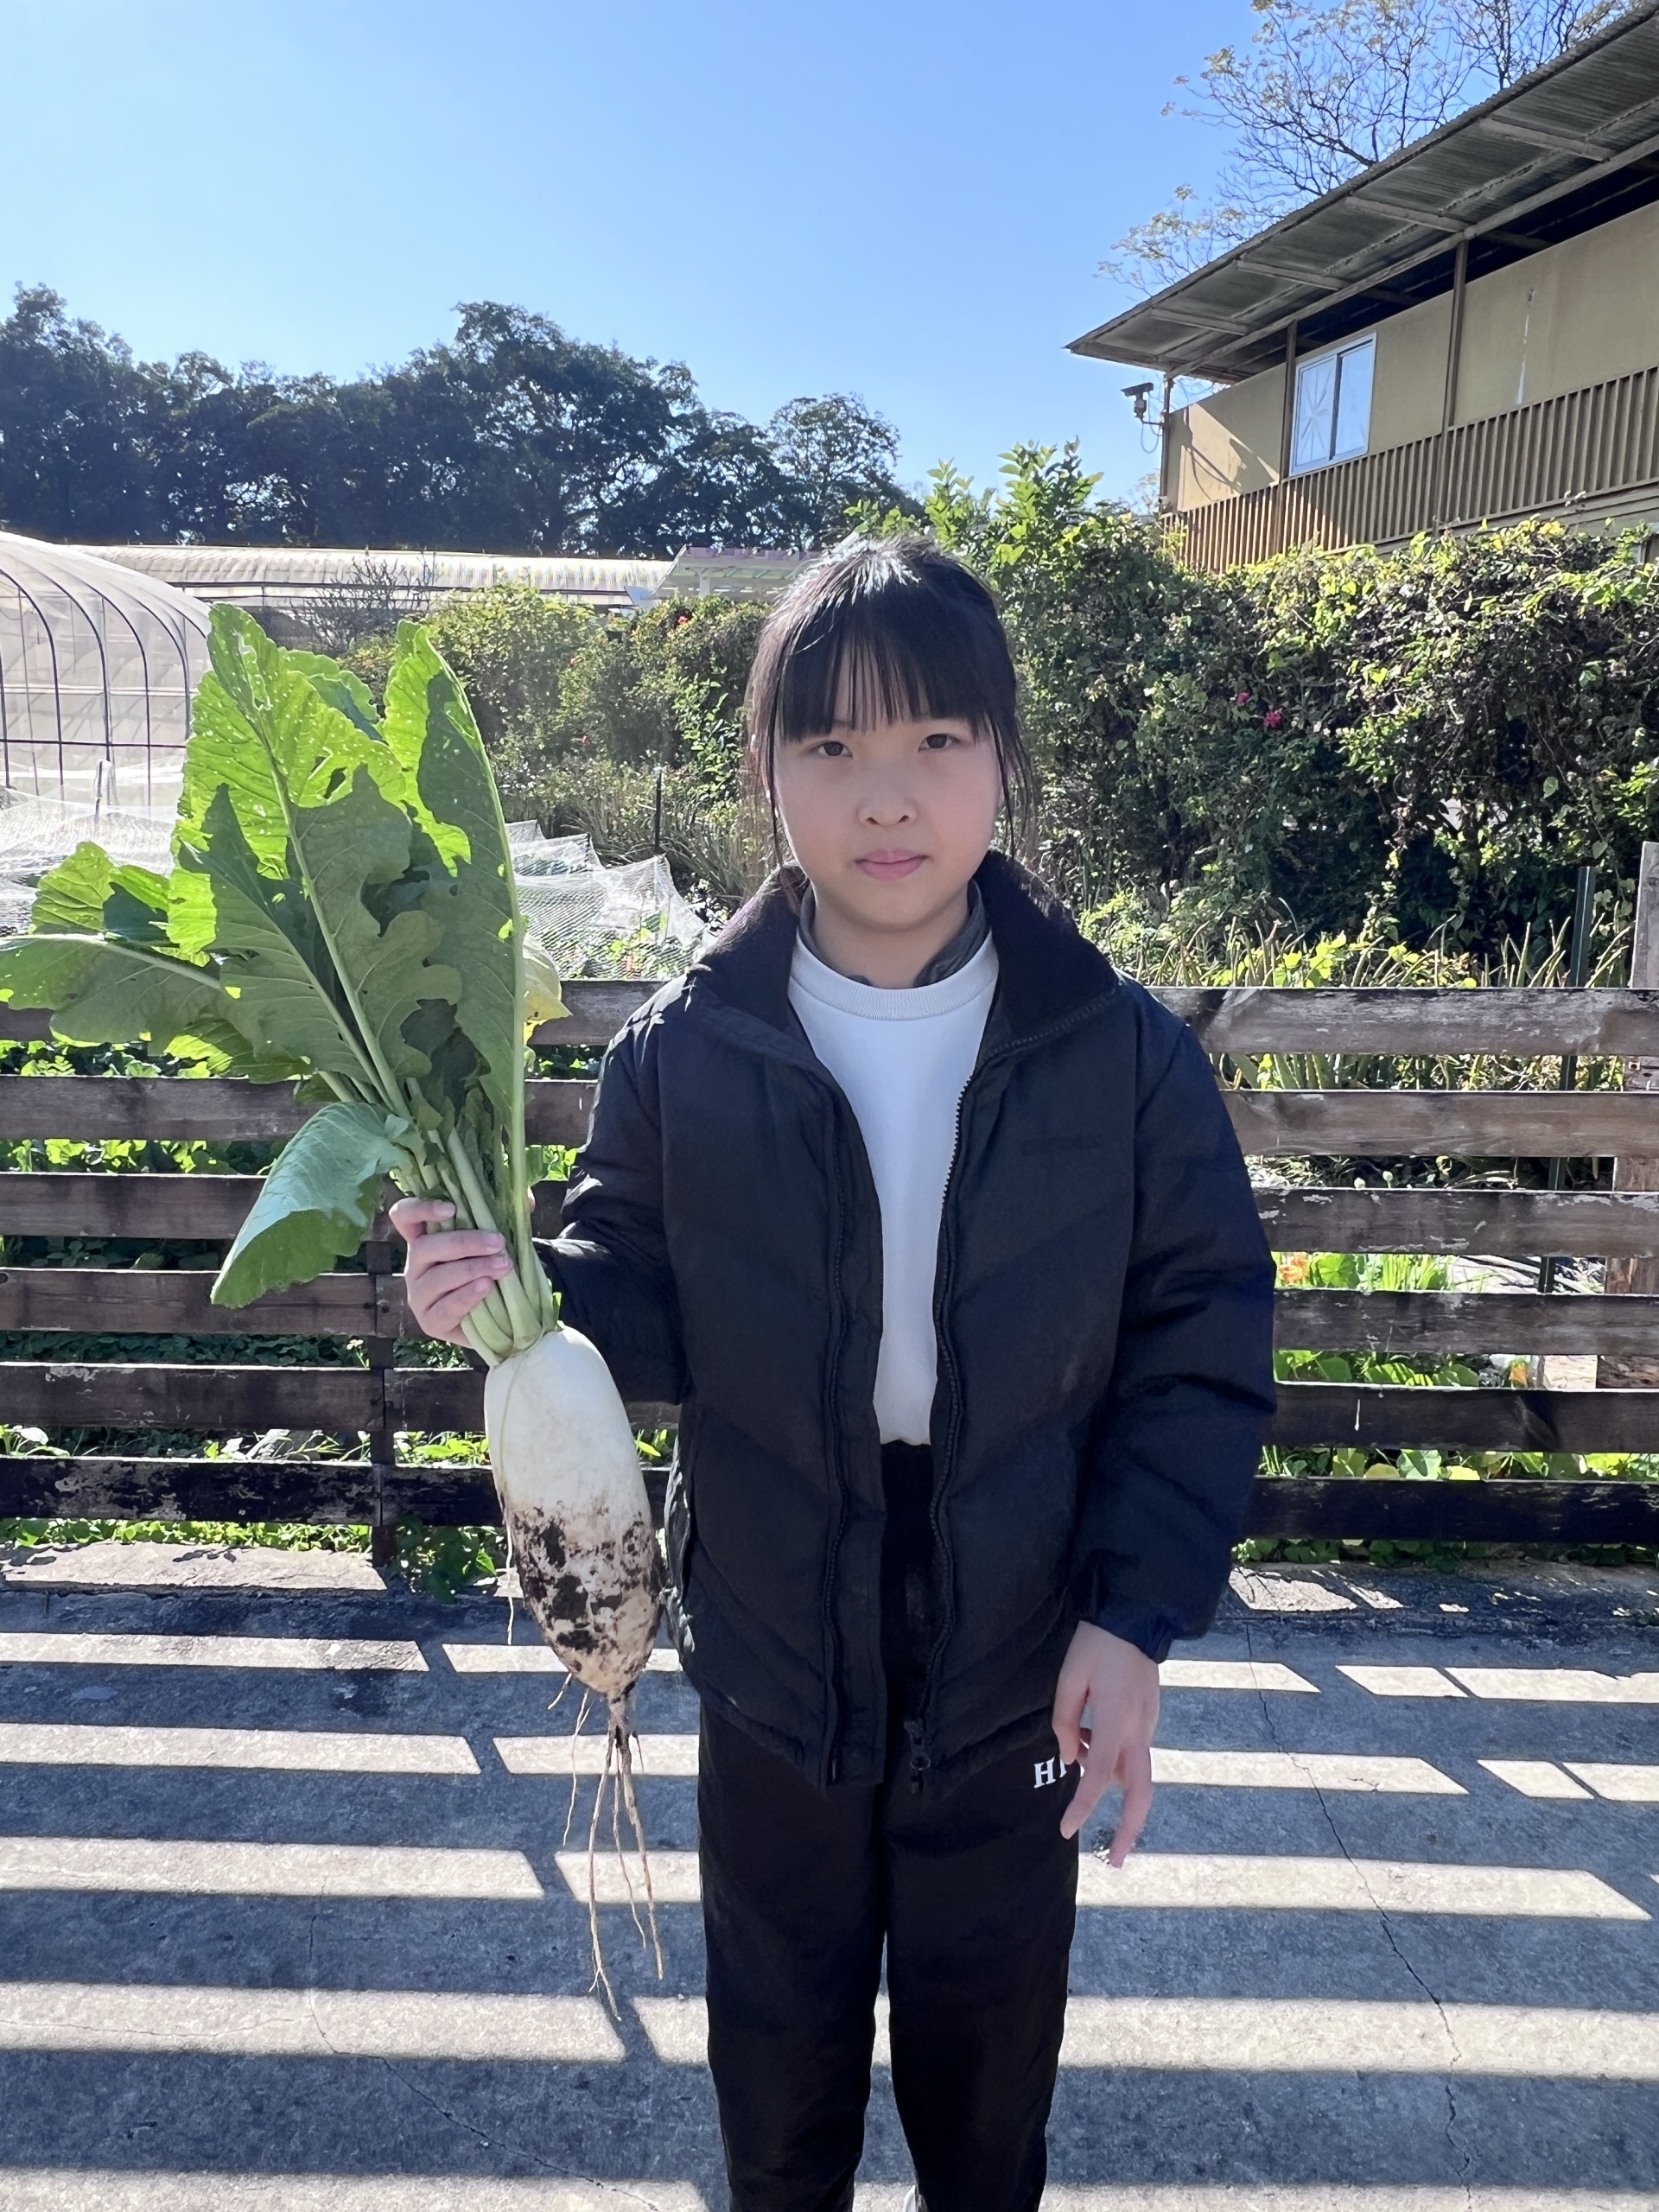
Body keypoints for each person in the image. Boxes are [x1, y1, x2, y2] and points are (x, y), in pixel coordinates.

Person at [393, 537, 1275, 2212]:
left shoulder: (1118, 1053)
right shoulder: (687, 1049)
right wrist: (518, 1296)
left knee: (987, 2096)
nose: (888, 794)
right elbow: (634, 1299)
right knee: (777, 2088)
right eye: (833, 745)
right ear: (768, 773)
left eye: (937, 738)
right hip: (775, 1641)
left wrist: (1132, 1617)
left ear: (1003, 758)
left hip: (1020, 1646)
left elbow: (1203, 1336)